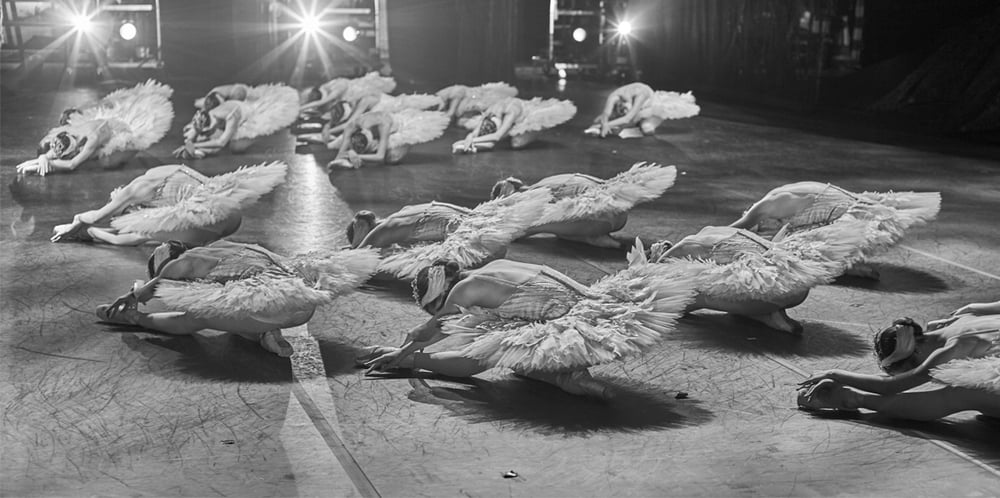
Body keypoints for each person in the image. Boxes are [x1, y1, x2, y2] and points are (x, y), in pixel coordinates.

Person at [359, 258, 695, 398]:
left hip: (571, 327)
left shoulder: (463, 291)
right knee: (496, 343)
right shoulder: (491, 269)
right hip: (592, 307)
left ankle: (570, 375)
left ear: (442, 293)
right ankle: (569, 375)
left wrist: (404, 354)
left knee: (482, 355)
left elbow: (432, 330)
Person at [97, 240, 380, 357]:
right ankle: (265, 333)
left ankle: (137, 321)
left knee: (197, 317)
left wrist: (132, 306)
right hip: (304, 305)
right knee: (238, 298)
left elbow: (149, 291)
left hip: (274, 306)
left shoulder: (180, 264)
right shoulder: (227, 248)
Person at [638, 220, 868, 334]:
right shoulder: (710, 230)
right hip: (800, 285)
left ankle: (763, 309)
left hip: (772, 289)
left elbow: (655, 274)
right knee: (724, 277)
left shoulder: (686, 246)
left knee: (689, 294)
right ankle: (766, 313)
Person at [797, 302, 1000, 421]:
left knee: (960, 394)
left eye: (910, 367)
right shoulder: (968, 313)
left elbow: (891, 386)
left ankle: (855, 399)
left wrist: (835, 373)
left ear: (917, 352)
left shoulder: (951, 349)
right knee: (978, 382)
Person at [729, 181, 941, 279]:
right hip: (862, 212)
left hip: (861, 220)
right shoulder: (775, 199)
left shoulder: (770, 207)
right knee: (784, 243)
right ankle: (846, 263)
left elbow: (736, 231)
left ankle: (842, 264)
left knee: (784, 254)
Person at [50, 162, 287, 246]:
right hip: (232, 213)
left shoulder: (133, 191)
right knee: (162, 227)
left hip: (215, 222)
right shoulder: (157, 173)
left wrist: (79, 225)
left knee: (158, 231)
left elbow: (97, 218)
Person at [489, 162, 676, 248]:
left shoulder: (536, 192)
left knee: (533, 225)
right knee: (550, 222)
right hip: (618, 217)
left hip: (602, 217)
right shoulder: (545, 183)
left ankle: (587, 235)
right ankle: (587, 237)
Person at [373, 189, 551, 279]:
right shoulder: (406, 212)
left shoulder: (388, 227)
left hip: (479, 243)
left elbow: (362, 248)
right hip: (489, 232)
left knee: (394, 262)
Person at [17, 81, 174, 175]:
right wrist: (42, 158)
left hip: (120, 131)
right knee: (67, 154)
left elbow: (72, 165)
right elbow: (55, 151)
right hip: (98, 124)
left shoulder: (93, 139)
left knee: (104, 163)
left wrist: (49, 164)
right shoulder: (69, 130)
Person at [174, 83, 299, 159]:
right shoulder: (208, 112)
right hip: (224, 114)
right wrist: (192, 139)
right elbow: (199, 130)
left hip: (247, 116)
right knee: (207, 139)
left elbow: (221, 142)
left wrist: (194, 145)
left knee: (235, 148)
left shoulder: (231, 116)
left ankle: (199, 150)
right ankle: (198, 152)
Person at [328, 109, 449, 168]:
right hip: (372, 132)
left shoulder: (382, 124)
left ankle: (370, 151)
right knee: (338, 144)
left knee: (391, 159)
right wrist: (346, 155)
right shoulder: (351, 126)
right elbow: (339, 156)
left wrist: (356, 156)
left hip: (401, 127)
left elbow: (380, 157)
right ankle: (367, 151)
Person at [452, 96, 576, 153]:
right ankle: (505, 130)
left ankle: (535, 133)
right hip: (506, 115)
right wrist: (468, 138)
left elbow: (496, 137)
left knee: (516, 143)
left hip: (527, 115)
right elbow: (474, 132)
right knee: (475, 128)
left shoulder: (511, 111)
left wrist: (471, 142)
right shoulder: (490, 111)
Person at [585, 82, 699, 138]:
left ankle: (641, 124)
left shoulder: (641, 94)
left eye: (623, 109)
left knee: (647, 129)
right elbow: (606, 112)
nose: (623, 110)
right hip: (636, 111)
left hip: (652, 110)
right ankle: (635, 123)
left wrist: (607, 125)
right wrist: (604, 122)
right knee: (606, 120)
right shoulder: (615, 96)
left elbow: (627, 118)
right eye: (621, 109)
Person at [298, 72, 396, 117]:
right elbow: (322, 103)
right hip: (351, 99)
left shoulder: (337, 88)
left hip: (358, 93)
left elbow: (324, 101)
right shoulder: (327, 86)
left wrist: (301, 108)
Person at [437, 82, 518, 128]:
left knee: (497, 104)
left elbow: (460, 90)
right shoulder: (460, 116)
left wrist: (451, 110)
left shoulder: (442, 96)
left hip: (480, 95)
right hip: (477, 106)